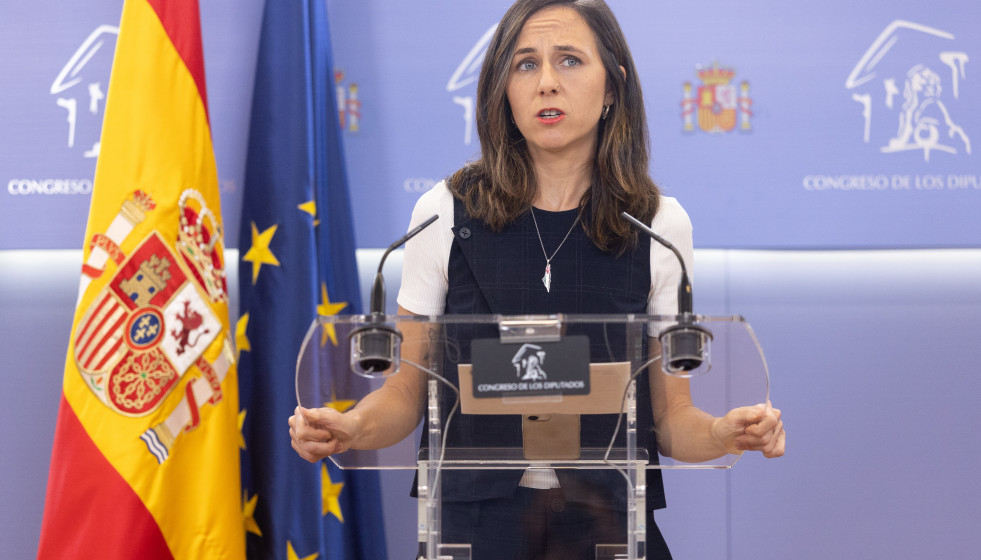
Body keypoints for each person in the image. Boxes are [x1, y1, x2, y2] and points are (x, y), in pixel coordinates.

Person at [290, 1, 785, 558]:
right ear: (502, 87)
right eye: (525, 65)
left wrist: (721, 435)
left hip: (607, 525)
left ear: (613, 87)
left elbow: (671, 417)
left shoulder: (659, 225)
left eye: (569, 60)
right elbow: (405, 394)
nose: (546, 82)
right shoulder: (444, 211)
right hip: (474, 527)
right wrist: (352, 428)